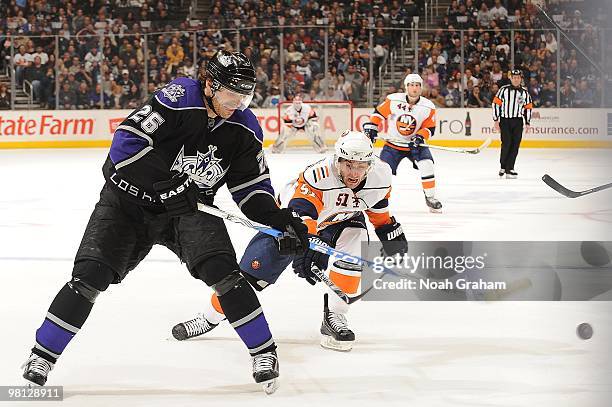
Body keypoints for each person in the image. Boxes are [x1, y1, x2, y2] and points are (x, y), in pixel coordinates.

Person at [20, 50, 309, 395]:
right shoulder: (179, 98)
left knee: (226, 275)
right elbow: (125, 146)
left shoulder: (244, 127)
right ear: (210, 85)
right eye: (233, 94)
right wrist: (167, 182)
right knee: (88, 278)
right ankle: (42, 356)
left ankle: (264, 353)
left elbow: (251, 187)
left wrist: (278, 220)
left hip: (189, 209)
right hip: (127, 203)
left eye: (245, 96)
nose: (239, 103)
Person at [171, 131, 407, 351]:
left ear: (370, 164)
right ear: (337, 160)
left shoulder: (381, 175)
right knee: (250, 277)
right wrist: (309, 246)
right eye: (348, 165)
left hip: (340, 221)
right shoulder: (318, 176)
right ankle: (209, 317)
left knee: (356, 238)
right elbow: (302, 214)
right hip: (289, 225)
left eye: (360, 166)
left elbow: (376, 206)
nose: (354, 173)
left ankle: (334, 315)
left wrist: (388, 230)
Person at [362, 74, 443, 213]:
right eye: (411, 85)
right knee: (381, 172)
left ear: (421, 87)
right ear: (406, 87)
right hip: (393, 145)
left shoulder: (428, 106)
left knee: (427, 165)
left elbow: (430, 128)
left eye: (417, 85)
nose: (414, 88)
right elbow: (378, 114)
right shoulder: (393, 100)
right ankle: (375, 199)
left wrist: (419, 137)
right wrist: (372, 127)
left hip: (416, 145)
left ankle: (430, 197)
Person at [492, 69, 533, 178]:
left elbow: (528, 108)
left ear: (521, 79)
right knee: (506, 143)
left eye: (518, 78)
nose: (516, 79)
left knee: (515, 145)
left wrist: (528, 122)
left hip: (518, 121)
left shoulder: (524, 92)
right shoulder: (503, 90)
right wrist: (496, 120)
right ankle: (503, 167)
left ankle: (510, 168)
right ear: (511, 78)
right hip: (505, 120)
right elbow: (496, 104)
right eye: (514, 77)